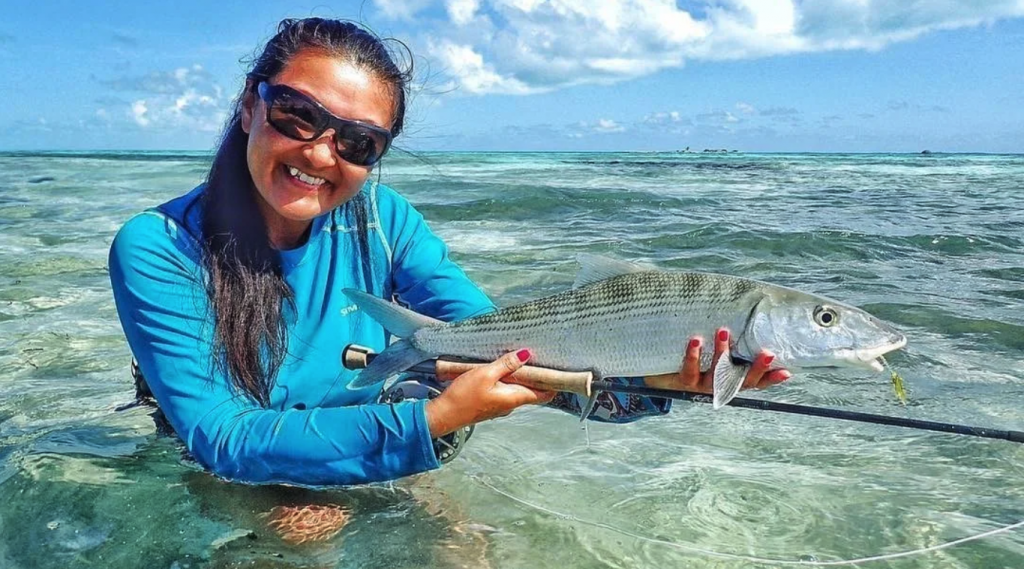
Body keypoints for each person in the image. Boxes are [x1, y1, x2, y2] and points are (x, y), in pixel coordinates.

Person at [109, 18, 789, 487]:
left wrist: (652, 381)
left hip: (379, 445)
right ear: (250, 107)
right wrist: (436, 418)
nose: (320, 153)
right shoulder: (157, 247)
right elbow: (221, 437)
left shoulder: (381, 218)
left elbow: (512, 349)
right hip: (236, 472)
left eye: (359, 143)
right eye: (297, 114)